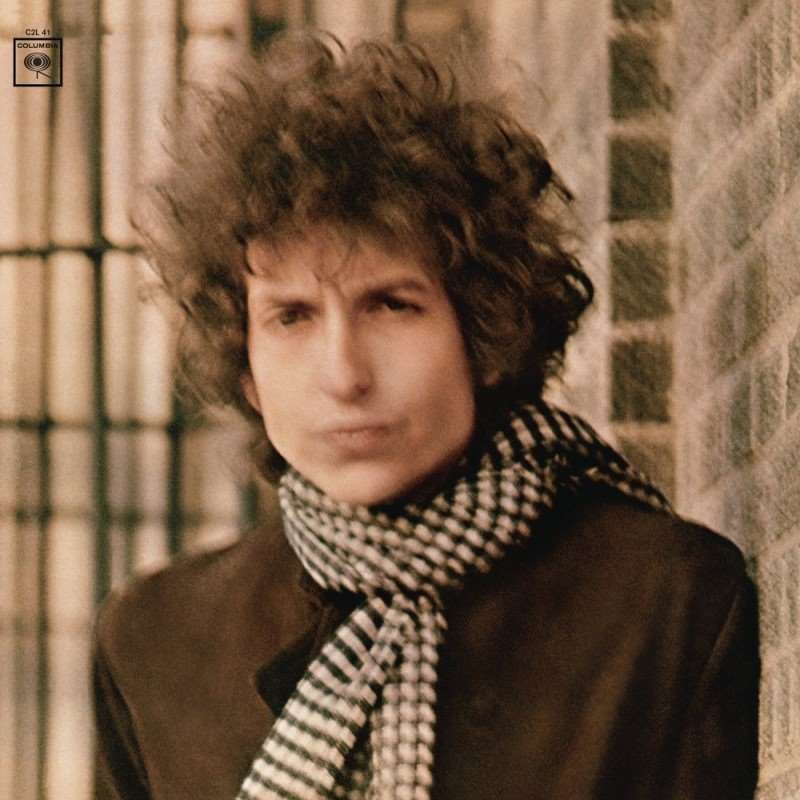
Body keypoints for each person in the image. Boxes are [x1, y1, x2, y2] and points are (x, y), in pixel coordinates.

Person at [93, 35, 759, 800]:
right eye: (291, 317)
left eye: (391, 305)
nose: (344, 375)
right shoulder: (155, 644)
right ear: (244, 362)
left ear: (483, 328)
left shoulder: (662, 602)